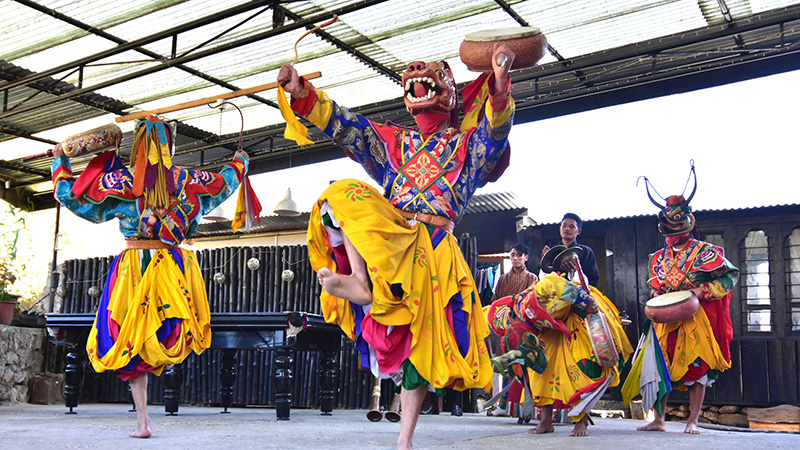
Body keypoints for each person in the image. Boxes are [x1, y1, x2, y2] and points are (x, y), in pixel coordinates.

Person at [277, 42, 515, 450]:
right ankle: (357, 279)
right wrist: (301, 92)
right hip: (393, 241)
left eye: (437, 75)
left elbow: (496, 132)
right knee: (340, 194)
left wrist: (498, 80)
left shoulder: (467, 145)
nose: (421, 77)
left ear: (452, 93)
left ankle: (404, 440)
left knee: (421, 347)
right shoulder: (393, 143)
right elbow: (348, 127)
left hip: (436, 249)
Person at [51, 116, 249, 438]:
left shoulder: (121, 182)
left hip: (134, 270)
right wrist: (240, 162)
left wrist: (61, 159)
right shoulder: (188, 180)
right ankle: (151, 410)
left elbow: (73, 198)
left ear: (137, 144)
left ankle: (143, 420)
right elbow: (223, 183)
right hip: (174, 268)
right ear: (169, 145)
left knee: (129, 339)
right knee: (167, 330)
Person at [632, 173, 739, 435]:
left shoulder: (705, 251)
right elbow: (656, 285)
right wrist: (657, 297)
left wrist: (702, 291)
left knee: (698, 365)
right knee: (660, 366)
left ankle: (693, 420)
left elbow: (730, 275)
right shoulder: (657, 257)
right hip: (666, 319)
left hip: (694, 317)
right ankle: (659, 419)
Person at [488, 267, 633, 437]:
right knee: (541, 375)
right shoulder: (511, 322)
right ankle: (546, 421)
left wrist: (587, 303)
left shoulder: (536, 295)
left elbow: (556, 283)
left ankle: (581, 420)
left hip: (575, 314)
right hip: (548, 329)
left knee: (581, 370)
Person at [487, 242, 538, 418]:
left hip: (525, 328)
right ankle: (504, 405)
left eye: (519, 255)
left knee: (525, 365)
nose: (515, 259)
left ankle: (525, 404)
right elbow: (496, 302)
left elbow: (533, 303)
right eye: (513, 255)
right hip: (506, 327)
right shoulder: (502, 279)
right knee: (507, 365)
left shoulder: (533, 279)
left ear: (526, 257)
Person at [541, 213, 599, 287]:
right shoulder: (553, 251)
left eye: (571, 227)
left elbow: (593, 280)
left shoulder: (586, 252)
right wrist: (545, 258)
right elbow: (546, 277)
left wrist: (576, 272)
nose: (567, 229)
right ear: (560, 228)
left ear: (579, 231)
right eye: (564, 226)